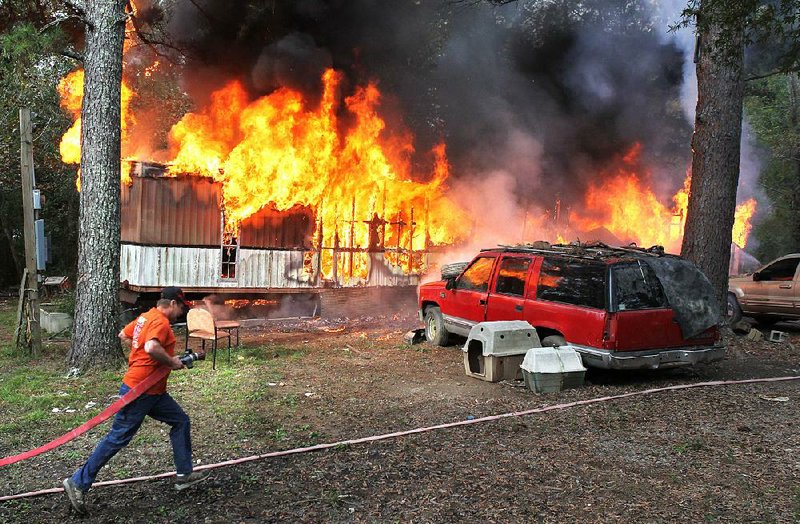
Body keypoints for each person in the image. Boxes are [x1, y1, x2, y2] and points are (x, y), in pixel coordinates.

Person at [63, 287, 208, 515]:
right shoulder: (160, 322)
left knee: (181, 421)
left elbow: (124, 334)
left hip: (154, 392)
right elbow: (151, 347)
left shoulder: (145, 317)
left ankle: (184, 474)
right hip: (141, 390)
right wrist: (169, 362)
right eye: (180, 308)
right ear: (171, 304)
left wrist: (144, 358)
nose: (180, 313)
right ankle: (78, 482)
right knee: (117, 438)